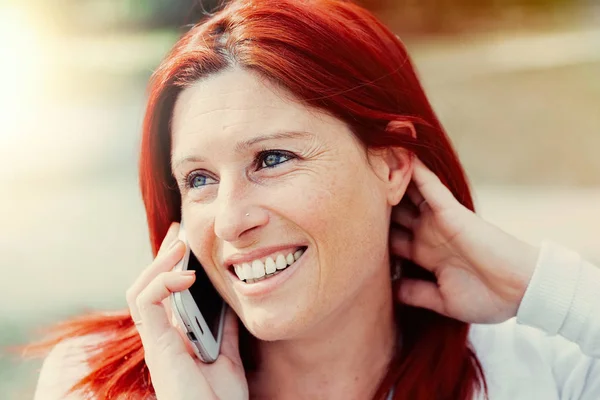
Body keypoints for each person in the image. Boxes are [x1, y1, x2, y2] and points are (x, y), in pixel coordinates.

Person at [32, 0, 600, 399]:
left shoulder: (540, 370)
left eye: (273, 159)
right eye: (199, 179)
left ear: (393, 164)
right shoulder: (91, 385)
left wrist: (537, 285)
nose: (231, 220)